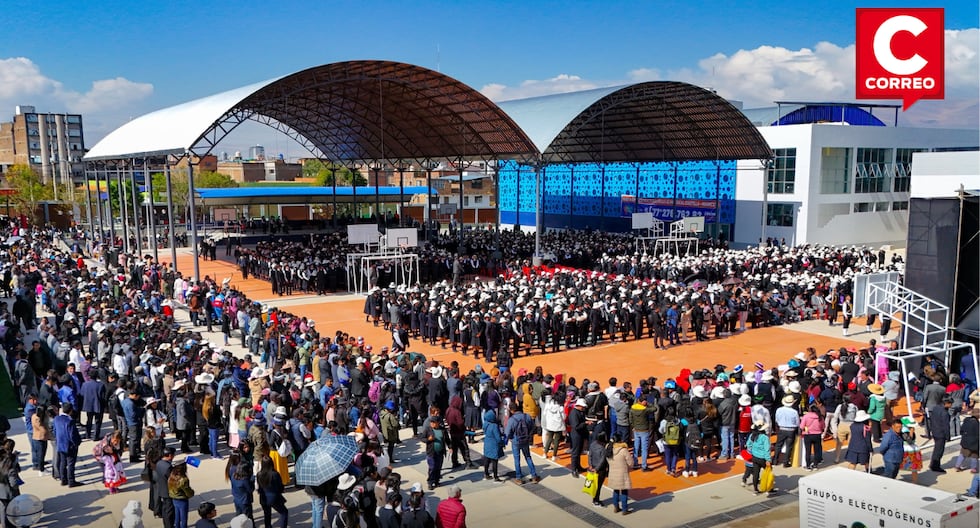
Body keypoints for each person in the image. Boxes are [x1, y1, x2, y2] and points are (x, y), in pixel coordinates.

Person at [503, 401, 540, 483]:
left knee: (517, 459)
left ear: (511, 410)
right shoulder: (526, 416)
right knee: (528, 457)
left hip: (516, 440)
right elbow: (532, 426)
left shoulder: (511, 420)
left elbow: (507, 432)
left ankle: (519, 478)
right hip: (525, 440)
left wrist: (505, 442)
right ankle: (534, 476)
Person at [53, 402, 81, 487]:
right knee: (71, 464)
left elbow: (54, 431)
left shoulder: (56, 419)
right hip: (70, 446)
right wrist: (77, 443)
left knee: (63, 463)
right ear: (71, 410)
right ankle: (71, 481)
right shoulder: (70, 421)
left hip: (60, 444)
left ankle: (63, 479)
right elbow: (72, 435)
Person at [257, 457, 288, 528]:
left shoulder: (259, 474)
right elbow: (280, 486)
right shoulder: (275, 474)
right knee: (284, 512)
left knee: (267, 514)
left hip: (263, 497)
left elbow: (259, 486)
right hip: (274, 497)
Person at [606, 434, 633, 515]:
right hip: (622, 473)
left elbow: (607, 459)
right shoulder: (623, 450)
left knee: (615, 490)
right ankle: (625, 509)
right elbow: (631, 463)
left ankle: (616, 507)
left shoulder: (609, 448)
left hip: (612, 472)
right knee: (624, 491)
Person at [744, 420, 772, 495]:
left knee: (756, 473)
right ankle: (769, 489)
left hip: (754, 457)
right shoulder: (765, 438)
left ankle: (755, 489)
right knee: (769, 472)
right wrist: (768, 460)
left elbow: (748, 445)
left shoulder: (752, 435)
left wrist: (753, 451)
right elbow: (767, 450)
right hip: (763, 458)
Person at [226, 452, 255, 521]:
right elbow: (250, 489)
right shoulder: (244, 480)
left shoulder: (233, 475)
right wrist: (251, 480)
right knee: (248, 517)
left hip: (237, 498)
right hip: (244, 500)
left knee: (239, 514)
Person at [928, 397, 953, 473]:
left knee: (936, 449)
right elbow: (946, 426)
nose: (951, 406)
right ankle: (935, 465)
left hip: (935, 431)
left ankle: (933, 464)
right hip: (941, 434)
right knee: (939, 450)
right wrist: (948, 436)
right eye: (950, 404)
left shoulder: (936, 408)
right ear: (946, 403)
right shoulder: (944, 413)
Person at [168, 461, 195, 528]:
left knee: (177, 517)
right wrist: (192, 493)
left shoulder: (171, 476)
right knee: (184, 518)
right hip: (182, 500)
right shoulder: (183, 479)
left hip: (174, 499)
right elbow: (188, 492)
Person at [587, 430, 610, 507]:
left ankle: (595, 499)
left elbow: (590, 455)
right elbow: (602, 460)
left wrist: (590, 465)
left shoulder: (593, 444)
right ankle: (596, 500)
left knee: (594, 484)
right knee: (598, 485)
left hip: (593, 466)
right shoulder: (603, 448)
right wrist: (597, 469)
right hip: (600, 469)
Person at [799, 404, 824, 470]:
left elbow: (801, 426)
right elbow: (823, 426)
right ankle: (815, 465)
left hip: (808, 434)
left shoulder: (806, 416)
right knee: (817, 450)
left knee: (808, 451)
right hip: (817, 435)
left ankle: (808, 465)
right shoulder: (820, 417)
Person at [424, 416, 447, 490]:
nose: (432, 424)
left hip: (440, 452)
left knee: (438, 467)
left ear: (438, 423)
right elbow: (421, 438)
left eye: (434, 422)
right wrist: (428, 439)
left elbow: (447, 439)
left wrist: (450, 447)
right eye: (431, 422)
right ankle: (430, 482)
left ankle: (437, 481)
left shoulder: (442, 430)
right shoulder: (428, 430)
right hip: (431, 452)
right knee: (432, 467)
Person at [156, 447, 176, 528]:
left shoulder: (159, 463)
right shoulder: (168, 467)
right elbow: (173, 479)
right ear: (170, 455)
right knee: (169, 512)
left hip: (162, 490)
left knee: (165, 510)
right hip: (168, 492)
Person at [568, 398, 588, 478]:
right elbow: (576, 426)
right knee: (575, 452)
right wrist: (585, 423)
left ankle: (578, 466)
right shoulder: (574, 413)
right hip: (576, 435)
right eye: (582, 406)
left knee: (579, 451)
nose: (583, 408)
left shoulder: (580, 412)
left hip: (580, 434)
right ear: (578, 405)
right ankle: (573, 469)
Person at [954, 407, 979, 473]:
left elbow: (962, 430)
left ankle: (957, 466)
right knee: (974, 456)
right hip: (974, 443)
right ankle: (973, 469)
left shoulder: (966, 420)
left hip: (965, 441)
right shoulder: (977, 424)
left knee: (962, 454)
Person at [481, 410, 504, 481]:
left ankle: (486, 474)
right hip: (493, 445)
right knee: (494, 461)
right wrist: (502, 443)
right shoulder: (494, 426)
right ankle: (496, 477)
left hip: (487, 443)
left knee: (487, 460)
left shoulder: (485, 424)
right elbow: (498, 438)